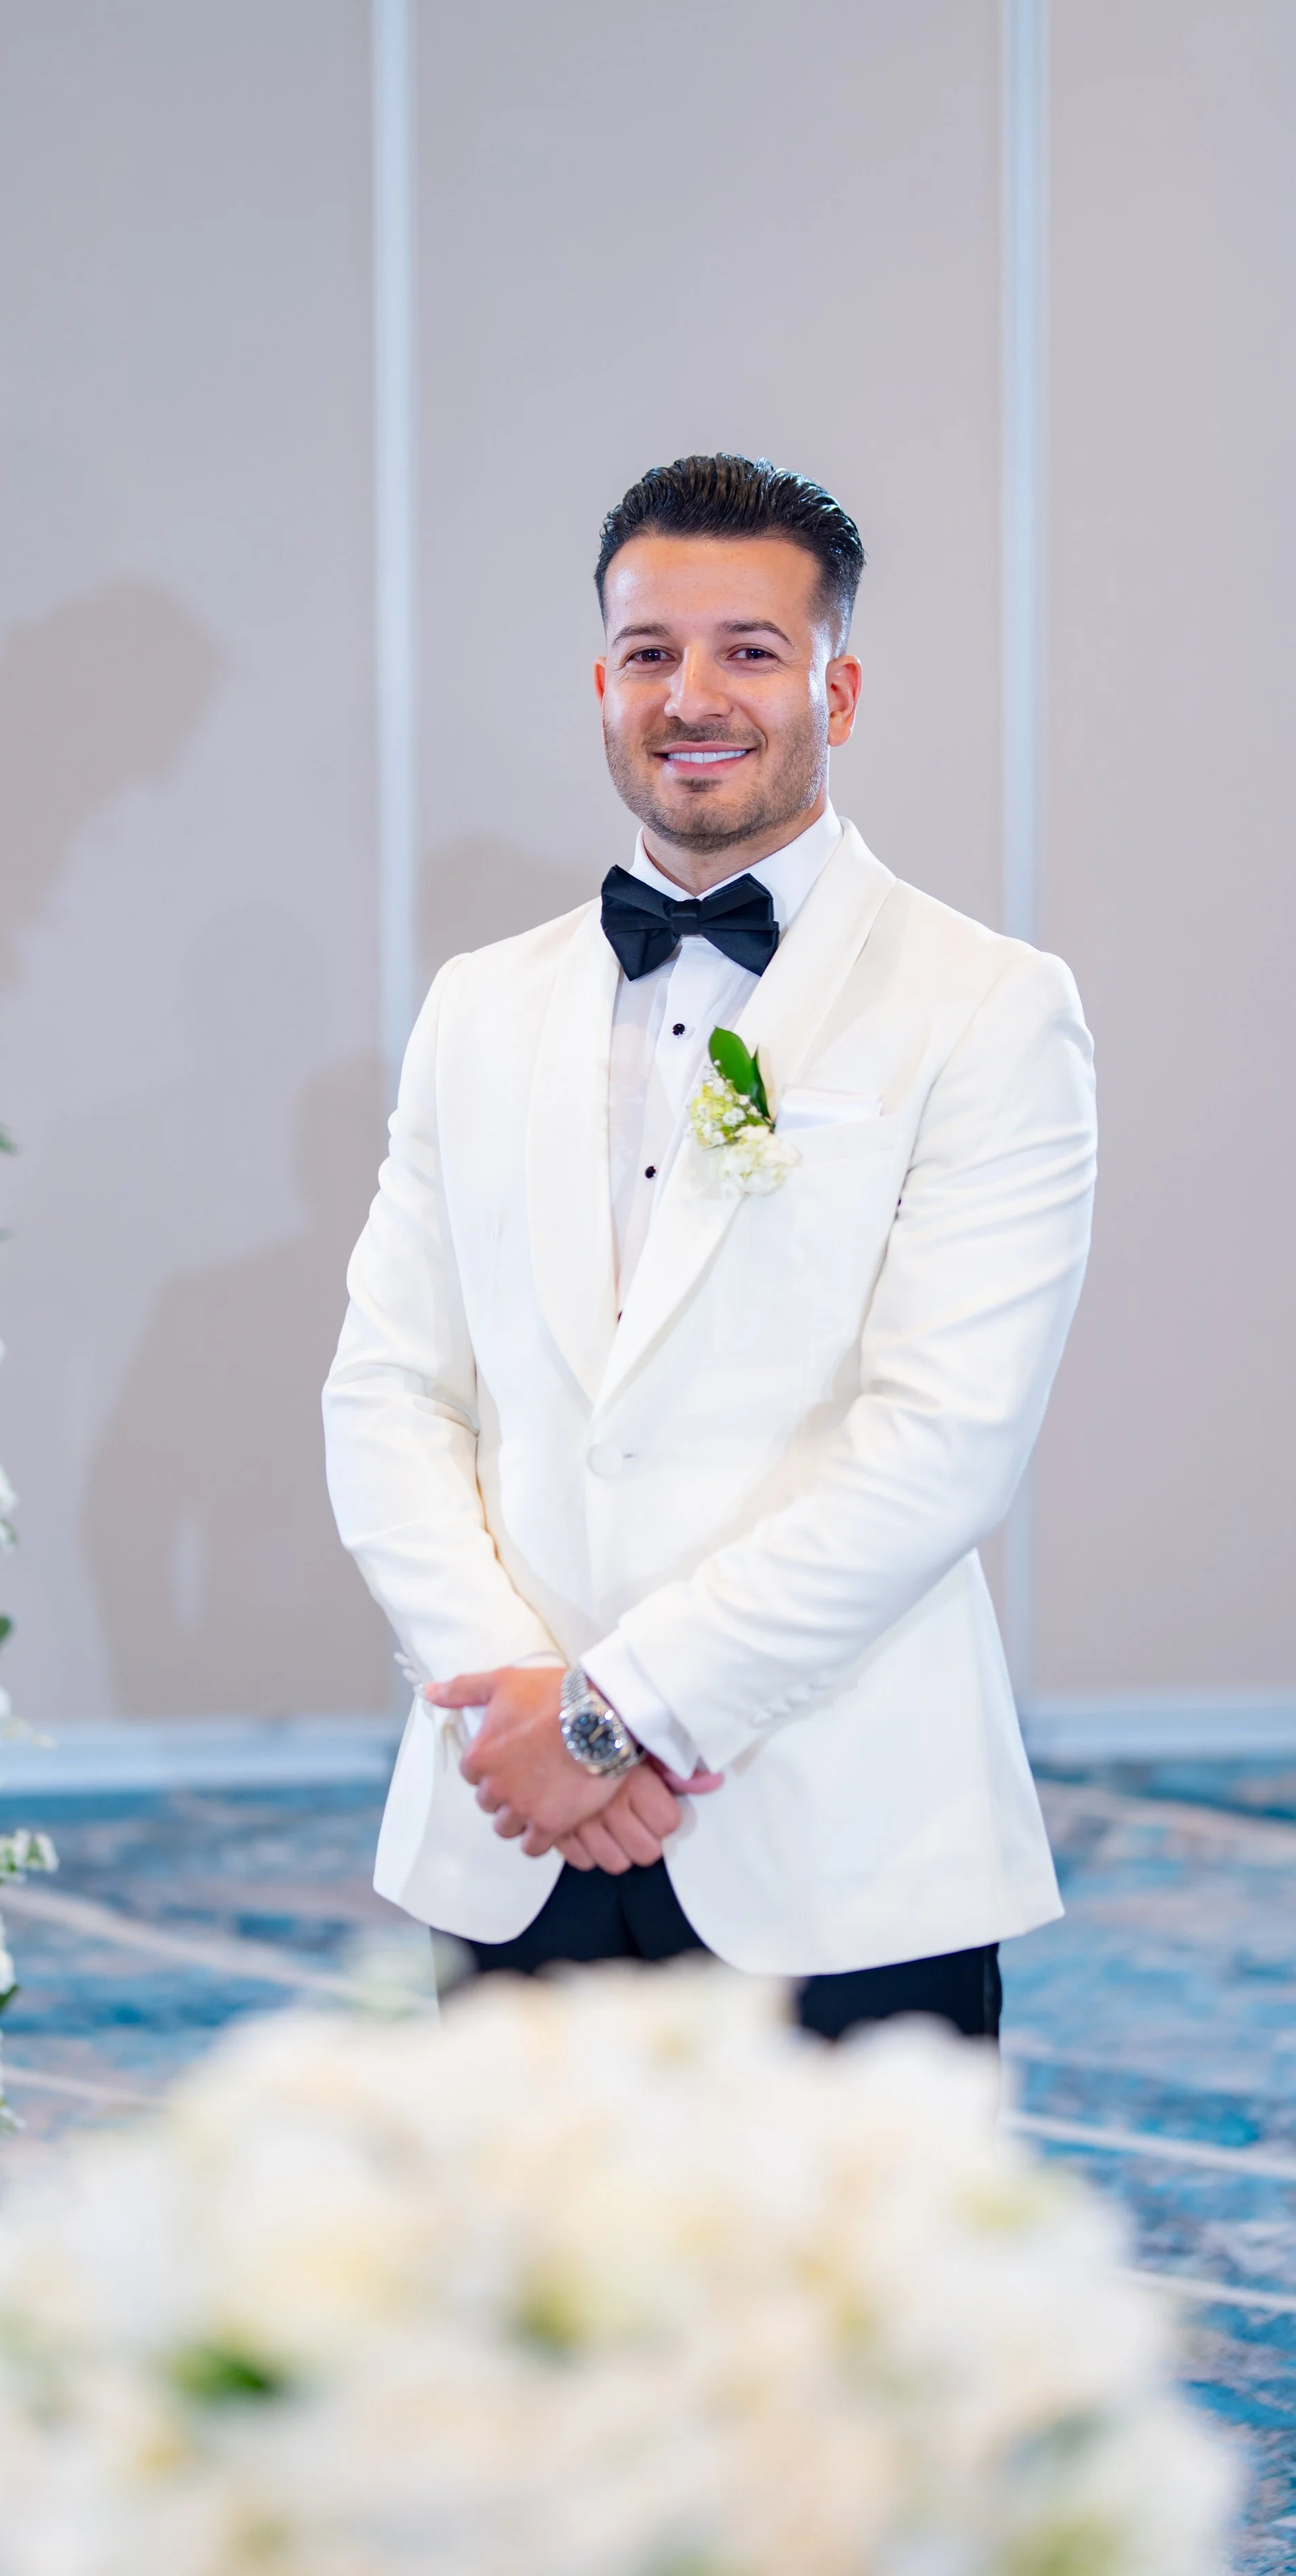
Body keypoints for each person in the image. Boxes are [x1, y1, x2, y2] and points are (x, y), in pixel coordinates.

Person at [322, 453, 1096, 2041]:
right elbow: (390, 1395)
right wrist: (511, 1706)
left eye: (748, 649)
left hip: (836, 1839)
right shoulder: (479, 1003)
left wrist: (613, 1720)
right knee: (505, 2290)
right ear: (599, 683)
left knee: (854, 2298)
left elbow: (938, 1447)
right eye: (648, 652)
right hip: (513, 1831)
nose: (694, 694)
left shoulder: (987, 1006)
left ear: (839, 685)